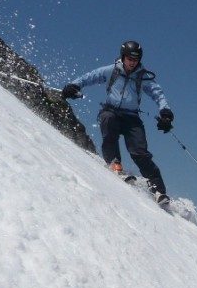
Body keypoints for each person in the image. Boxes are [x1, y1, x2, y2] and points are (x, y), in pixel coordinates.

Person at [62, 40, 174, 205]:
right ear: (123, 57)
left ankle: (158, 190)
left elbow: (158, 94)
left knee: (140, 152)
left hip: (131, 118)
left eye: (135, 59)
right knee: (108, 123)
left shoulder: (143, 77)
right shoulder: (112, 71)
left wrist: (166, 113)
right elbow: (91, 77)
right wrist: (74, 85)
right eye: (129, 58)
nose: (132, 62)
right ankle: (115, 163)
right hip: (111, 111)